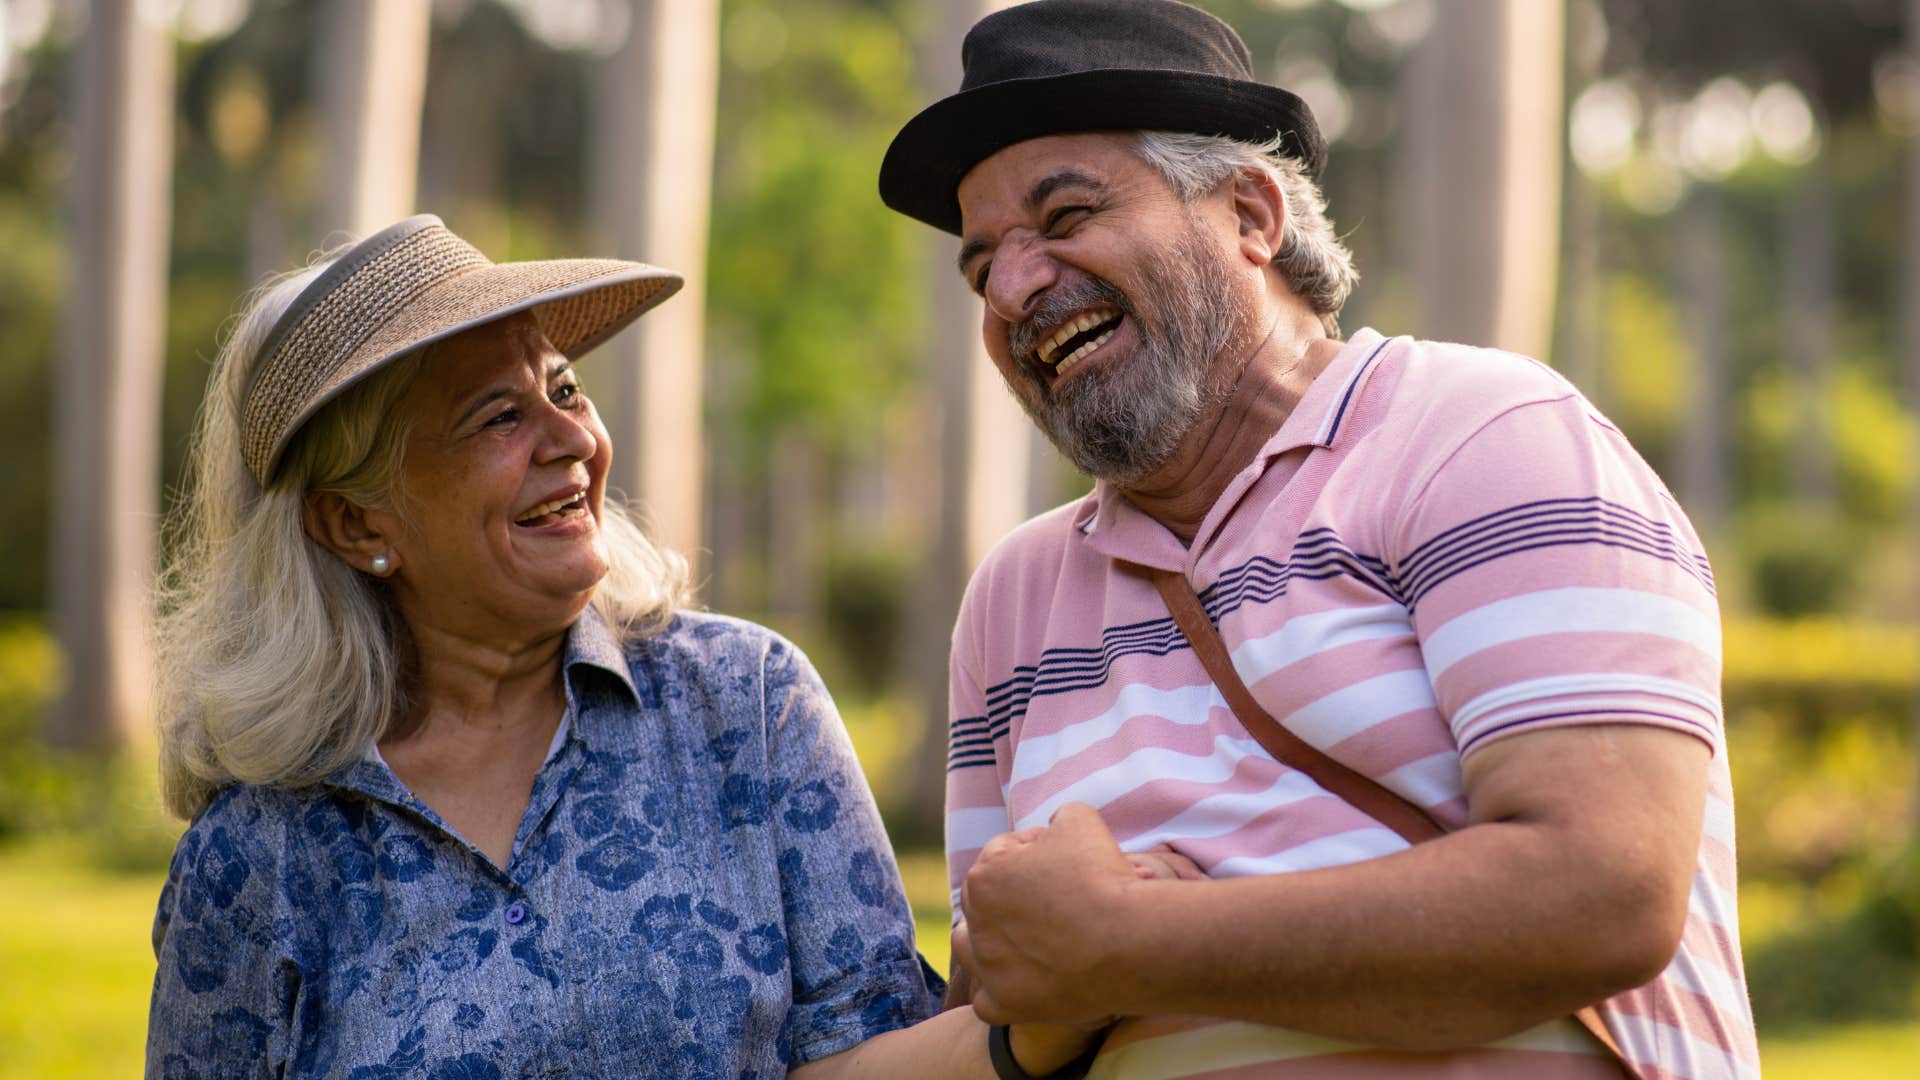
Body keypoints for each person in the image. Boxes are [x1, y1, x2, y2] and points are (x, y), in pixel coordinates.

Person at [878, 1, 1760, 1077]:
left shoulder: (1480, 434)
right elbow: (1016, 987)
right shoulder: (1014, 598)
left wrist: (1129, 943)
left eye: (1064, 218)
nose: (1015, 287)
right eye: (982, 267)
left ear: (1251, 214)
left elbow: (1603, 893)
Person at [145, 214, 1117, 1078]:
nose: (571, 438)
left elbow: (858, 1056)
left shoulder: (748, 705)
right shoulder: (252, 857)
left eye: (565, 388)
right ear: (356, 525)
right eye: (498, 416)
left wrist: (1037, 1029)